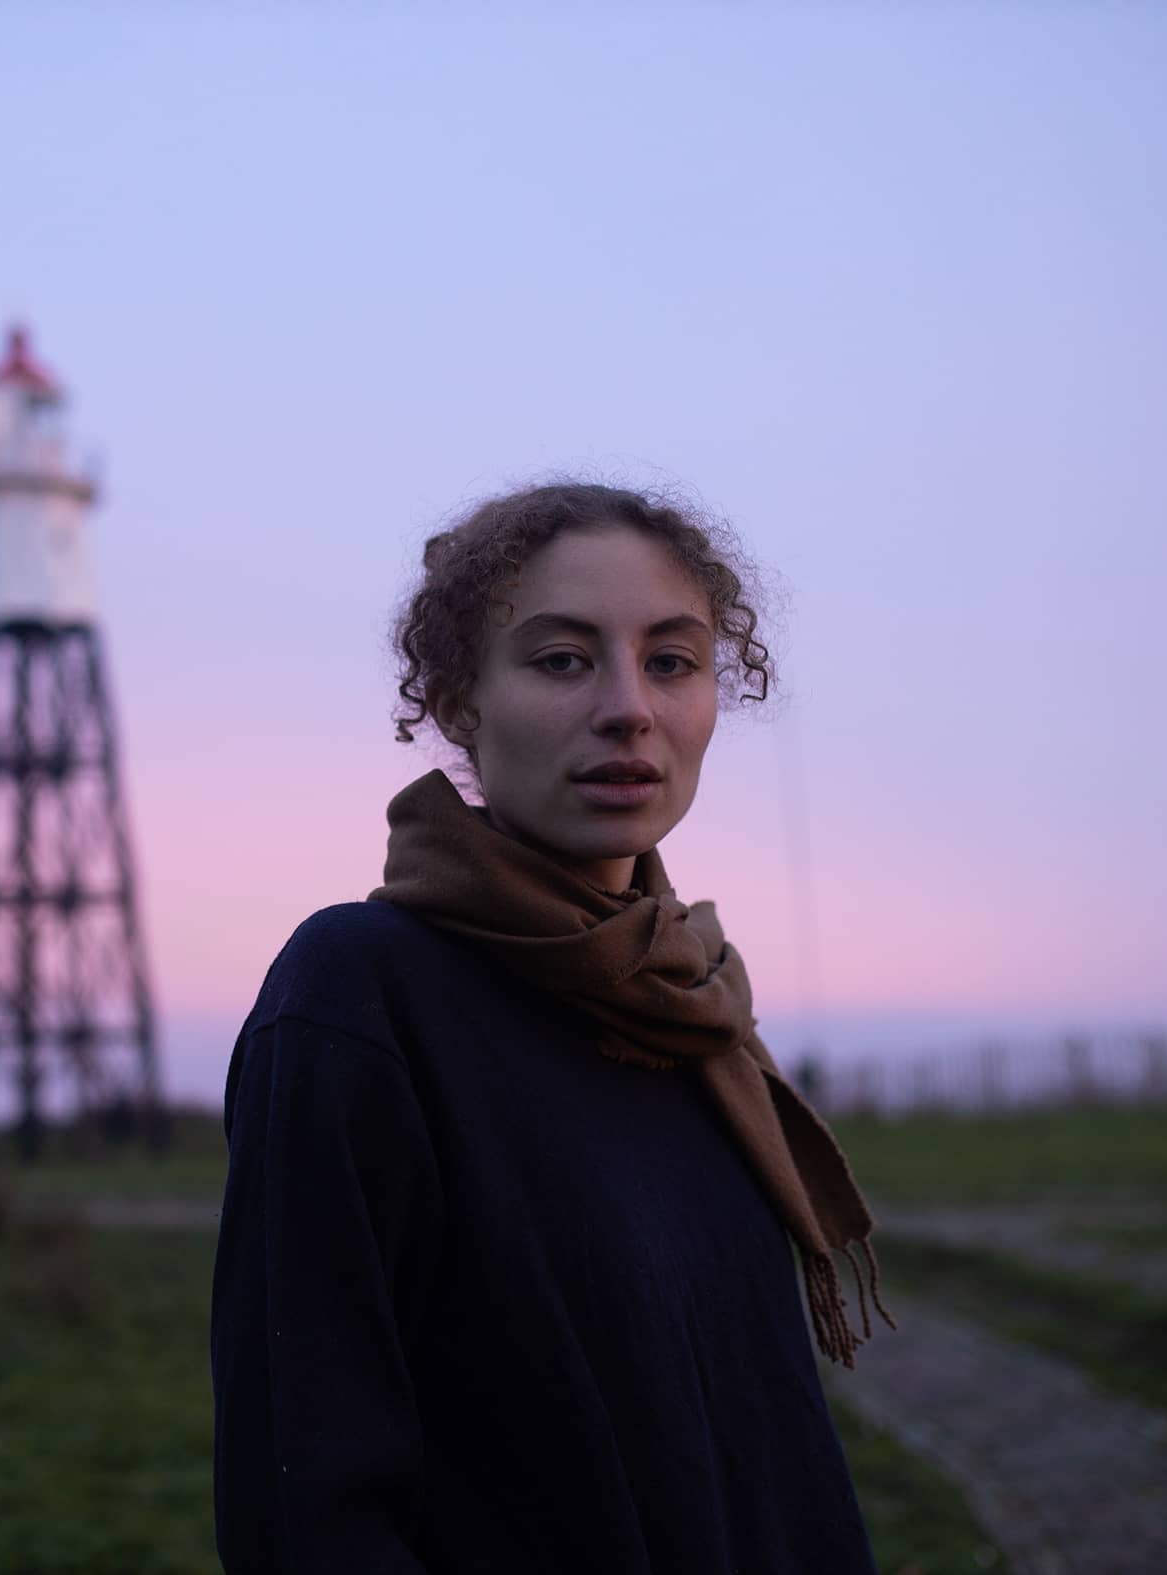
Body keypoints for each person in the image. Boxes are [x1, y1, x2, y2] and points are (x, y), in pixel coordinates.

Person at [209, 482, 890, 1575]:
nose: (628, 707)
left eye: (670, 660)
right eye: (562, 659)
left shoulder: (693, 1003)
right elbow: (305, 1501)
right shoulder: (358, 998)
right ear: (458, 698)